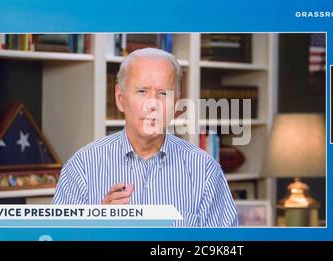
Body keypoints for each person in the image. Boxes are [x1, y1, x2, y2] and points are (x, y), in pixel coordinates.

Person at [53, 48, 238, 227]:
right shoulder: (81, 168)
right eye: (142, 91)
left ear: (176, 103)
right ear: (120, 98)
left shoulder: (205, 171)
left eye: (163, 93)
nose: (153, 104)